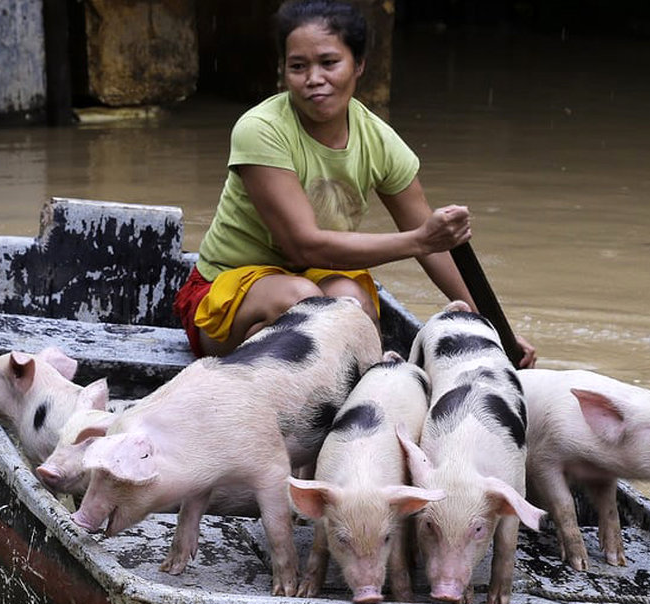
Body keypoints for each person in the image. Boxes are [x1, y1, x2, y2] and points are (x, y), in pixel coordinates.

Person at [172, 0, 536, 366]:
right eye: (298, 67)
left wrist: (495, 330)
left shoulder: (378, 140)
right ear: (284, 71)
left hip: (313, 281)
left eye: (329, 63)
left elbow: (434, 248)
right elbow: (303, 247)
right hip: (224, 297)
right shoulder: (261, 129)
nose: (314, 79)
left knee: (352, 302)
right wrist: (417, 240)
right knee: (302, 301)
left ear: (359, 65)